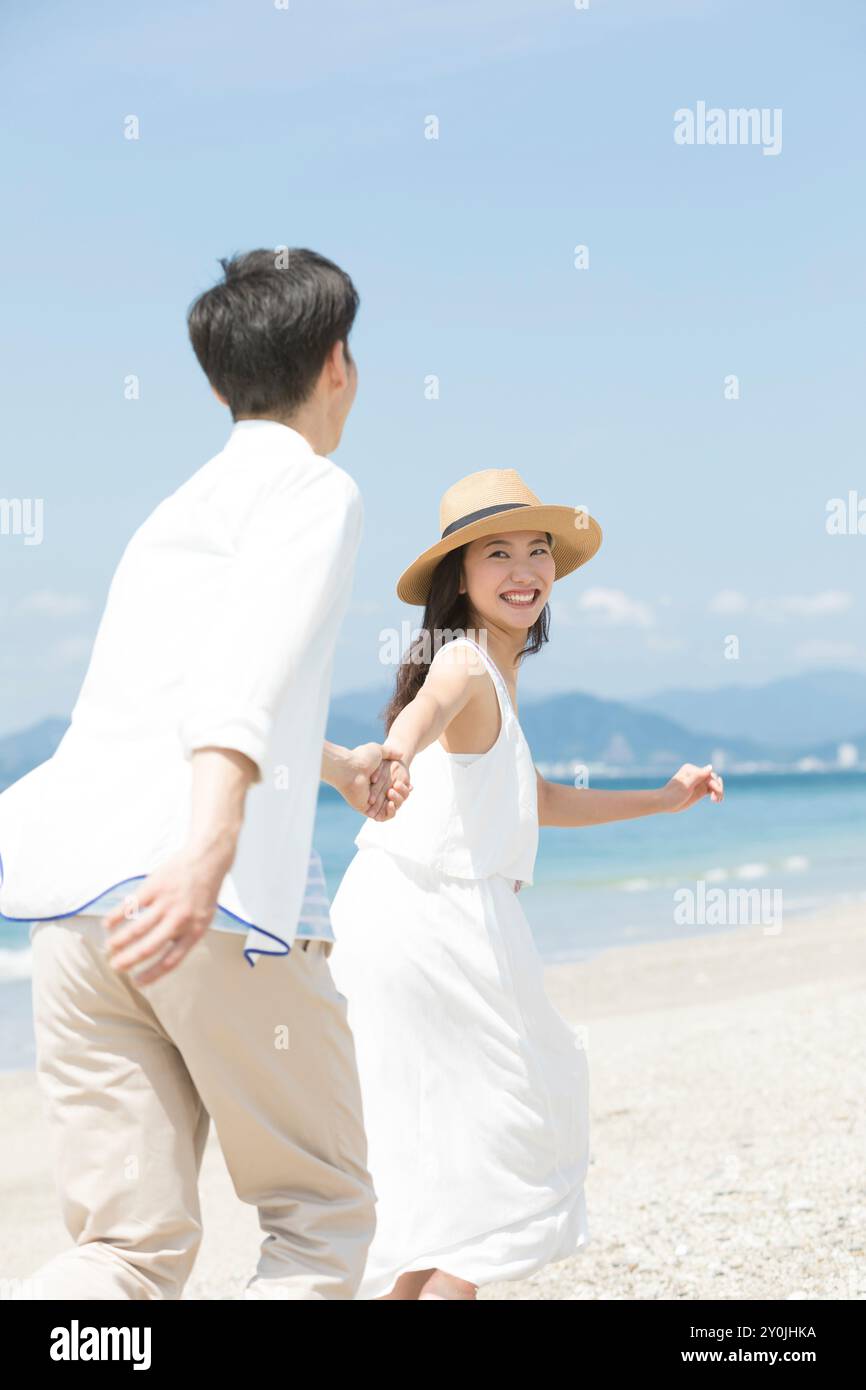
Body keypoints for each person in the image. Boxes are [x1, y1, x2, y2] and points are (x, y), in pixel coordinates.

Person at [0, 247, 410, 1301]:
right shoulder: (313, 488)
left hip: (76, 913)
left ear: (215, 382)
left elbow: (181, 694)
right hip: (202, 907)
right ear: (337, 364)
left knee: (124, 1250)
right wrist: (210, 843)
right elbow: (236, 680)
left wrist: (327, 767)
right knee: (319, 1215)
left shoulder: (169, 513)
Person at [327, 467, 724, 1300]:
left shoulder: (497, 674)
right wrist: (394, 755)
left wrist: (663, 797)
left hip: (411, 916)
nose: (524, 570)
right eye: (497, 554)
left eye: (537, 551)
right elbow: (428, 707)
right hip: (436, 921)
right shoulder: (467, 664)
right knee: (501, 1168)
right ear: (458, 577)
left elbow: (535, 800)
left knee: (443, 1176)